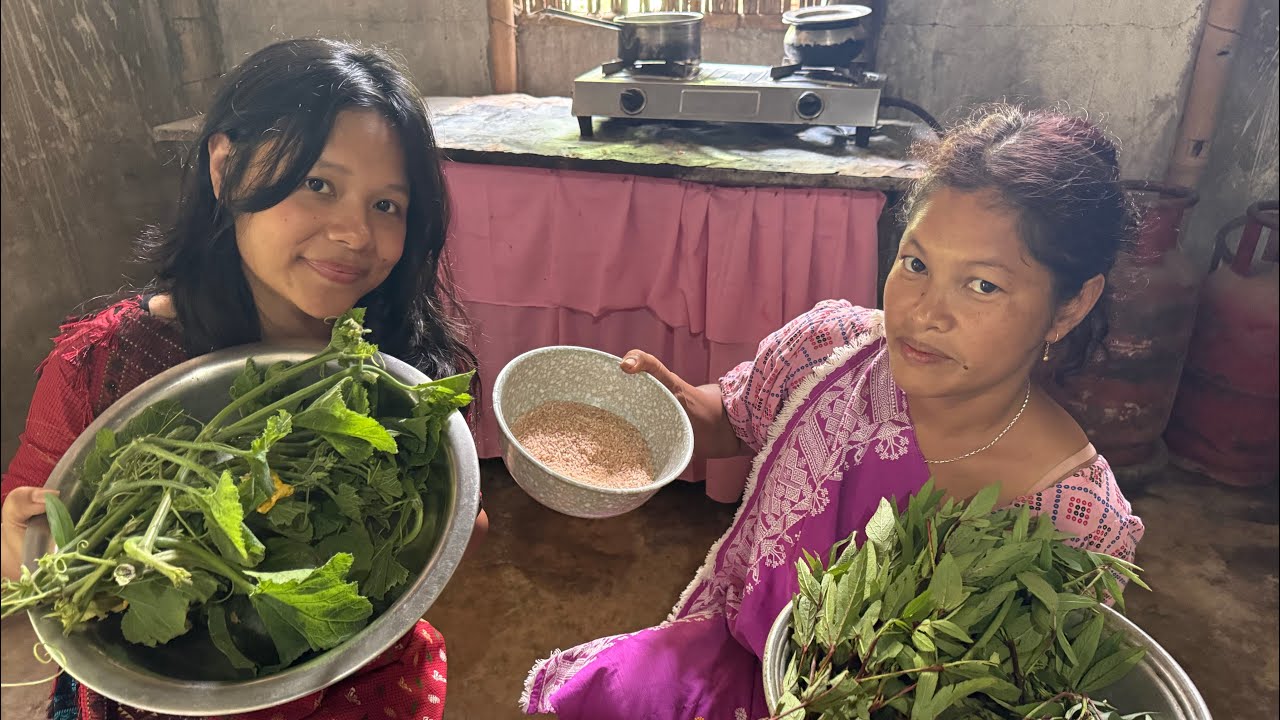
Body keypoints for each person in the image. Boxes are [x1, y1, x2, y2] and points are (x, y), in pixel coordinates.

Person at [520, 105, 1148, 719]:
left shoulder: (1079, 527)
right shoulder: (833, 350)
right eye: (916, 264)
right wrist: (667, 411)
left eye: (982, 285)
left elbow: (1023, 694)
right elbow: (734, 418)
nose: (924, 312)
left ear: (1071, 306)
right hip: (738, 653)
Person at [0, 38, 486, 720]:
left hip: (358, 689)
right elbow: (24, 517)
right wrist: (20, 544)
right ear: (226, 168)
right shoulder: (107, 365)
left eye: (387, 205)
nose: (355, 233)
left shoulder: (395, 362)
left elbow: (425, 546)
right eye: (318, 185)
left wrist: (449, 528)